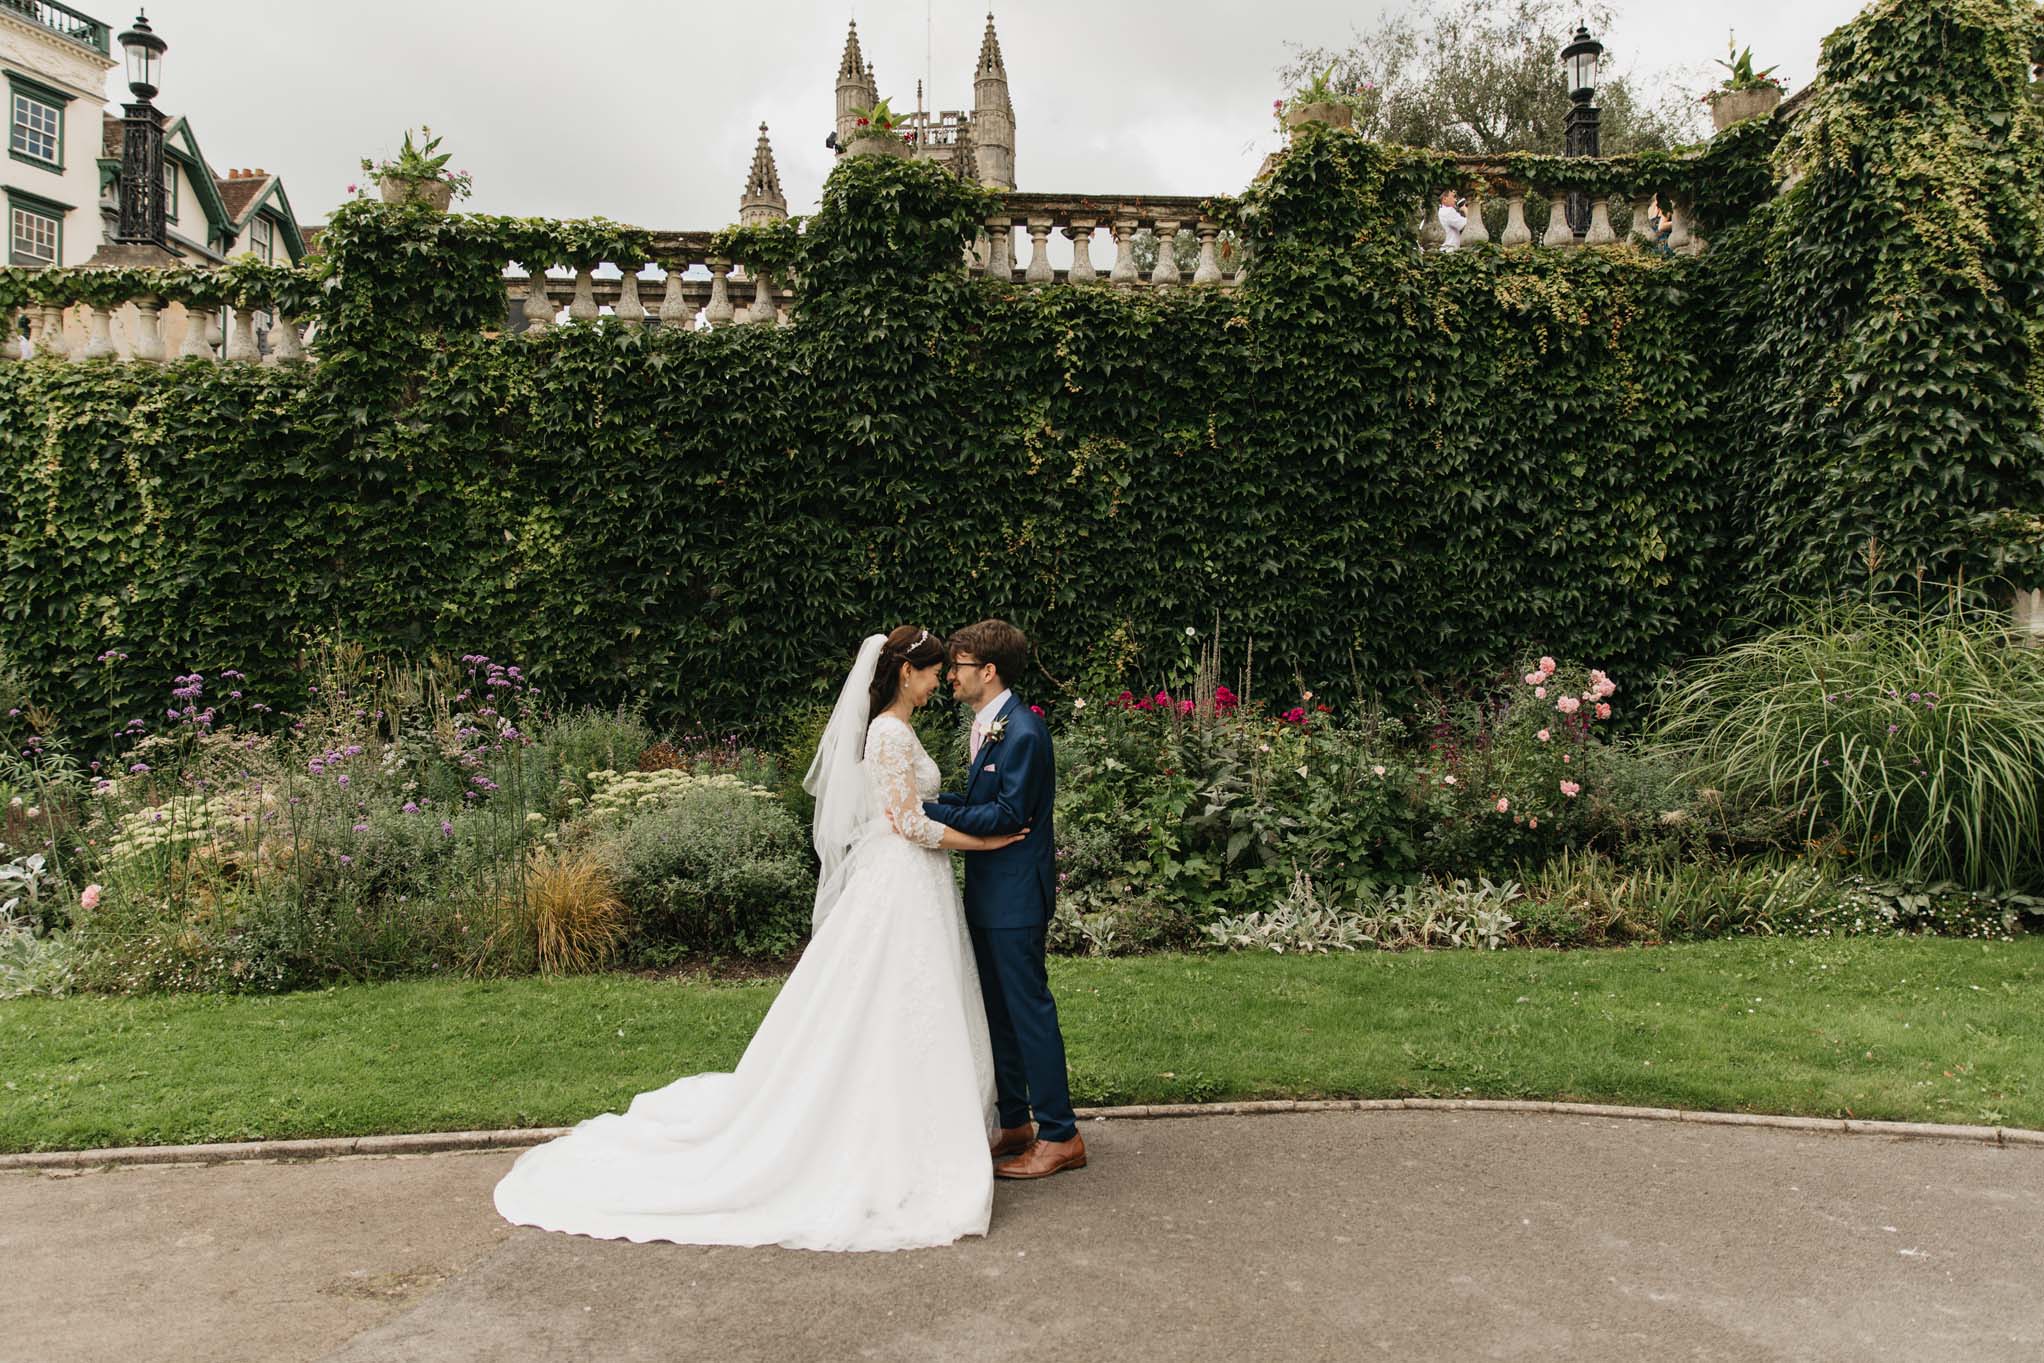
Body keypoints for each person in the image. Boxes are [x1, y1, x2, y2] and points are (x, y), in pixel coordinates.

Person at [492, 627, 1028, 1252]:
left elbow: (919, 811)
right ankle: (894, 1132)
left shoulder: (898, 731)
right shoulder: (885, 732)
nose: (941, 683)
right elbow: (908, 822)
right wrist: (986, 841)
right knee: (889, 997)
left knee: (914, 1000)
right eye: (934, 672)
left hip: (917, 886)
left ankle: (924, 1123)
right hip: (903, 881)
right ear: (907, 674)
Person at [918, 619, 1083, 1180]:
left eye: (959, 668)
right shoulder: (990, 726)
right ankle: (1016, 1122)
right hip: (989, 889)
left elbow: (1010, 815)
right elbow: (982, 799)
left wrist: (926, 812)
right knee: (998, 1013)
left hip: (1015, 895)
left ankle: (1061, 1134)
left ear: (987, 672)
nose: (951, 678)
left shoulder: (1024, 732)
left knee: (1028, 1011)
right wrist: (936, 799)